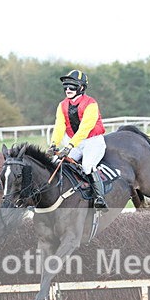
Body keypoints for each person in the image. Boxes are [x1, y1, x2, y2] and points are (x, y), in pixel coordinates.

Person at [46, 69, 108, 210]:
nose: (68, 89)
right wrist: (53, 145)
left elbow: (85, 128)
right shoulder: (62, 105)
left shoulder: (91, 104)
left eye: (72, 86)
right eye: (65, 86)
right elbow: (59, 126)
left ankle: (100, 198)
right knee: (54, 162)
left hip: (93, 141)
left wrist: (70, 145)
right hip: (75, 142)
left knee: (87, 166)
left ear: (81, 87)